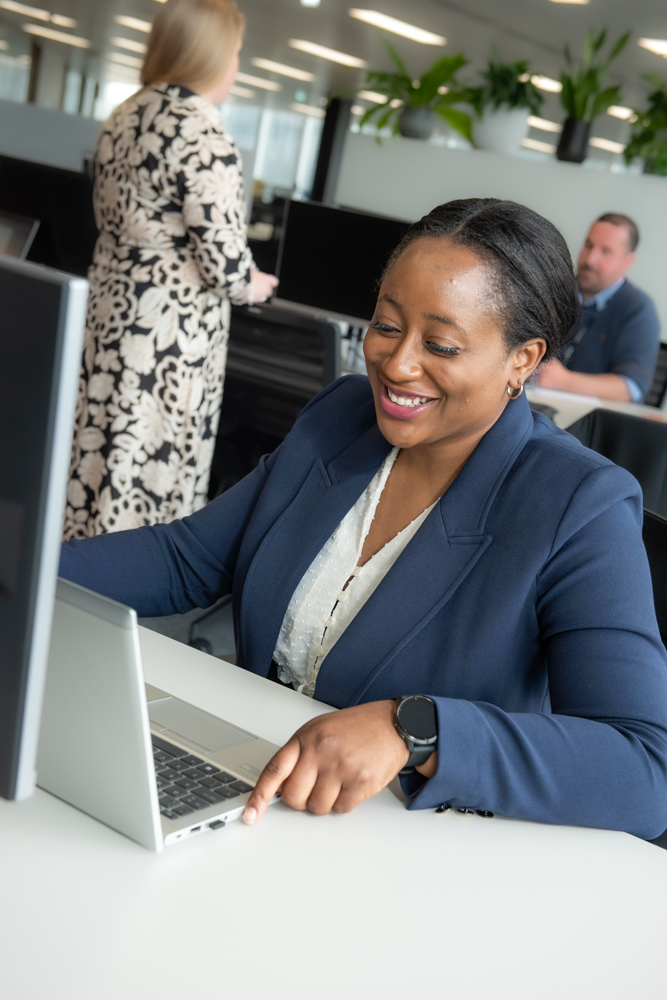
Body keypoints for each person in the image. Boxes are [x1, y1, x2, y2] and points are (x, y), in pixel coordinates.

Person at [59, 198, 667, 840]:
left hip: (415, 846)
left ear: (522, 359)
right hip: (264, 794)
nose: (398, 365)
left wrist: (417, 729)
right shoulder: (342, 418)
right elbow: (186, 560)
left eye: (440, 344)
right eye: (385, 325)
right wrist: (24, 573)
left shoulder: (580, 504)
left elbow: (646, 768)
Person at [63, 0, 278, 541]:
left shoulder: (124, 115)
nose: (236, 64)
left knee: (97, 458)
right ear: (207, 55)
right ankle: (121, 604)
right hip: (166, 336)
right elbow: (226, 263)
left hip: (109, 314)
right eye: (234, 52)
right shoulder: (202, 133)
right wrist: (256, 283)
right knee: (144, 475)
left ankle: (70, 588)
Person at [537, 213, 660, 402]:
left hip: (587, 423)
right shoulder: (555, 288)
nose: (590, 259)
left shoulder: (638, 309)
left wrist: (562, 381)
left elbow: (631, 389)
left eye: (606, 251)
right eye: (589, 245)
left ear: (627, 261)